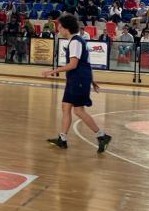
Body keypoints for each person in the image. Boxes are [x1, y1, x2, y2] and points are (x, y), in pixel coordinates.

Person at [41, 13, 111, 153]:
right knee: (66, 108)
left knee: (78, 110)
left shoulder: (75, 42)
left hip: (78, 80)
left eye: (60, 27)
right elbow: (86, 63)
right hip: (77, 79)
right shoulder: (76, 41)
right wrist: (92, 81)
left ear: (66, 29)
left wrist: (52, 71)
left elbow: (73, 64)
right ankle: (63, 139)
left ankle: (101, 135)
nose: (58, 29)